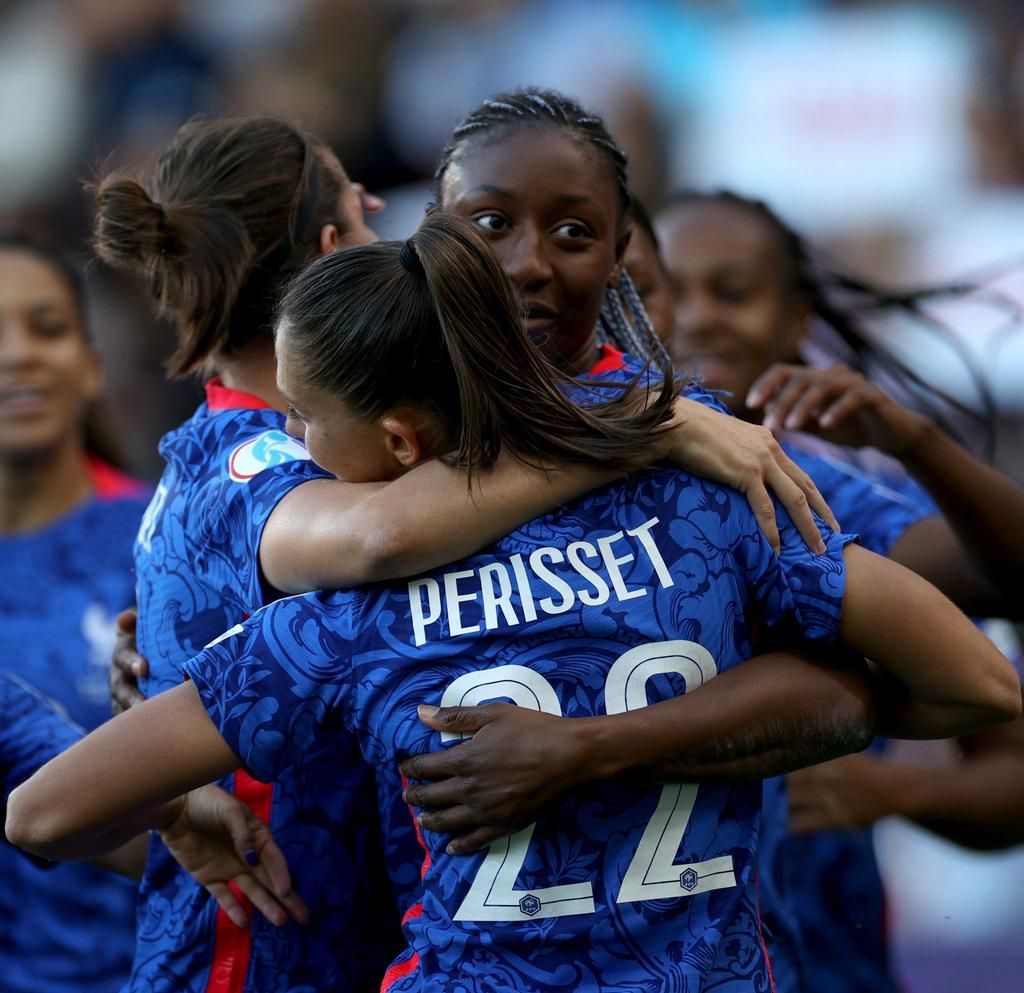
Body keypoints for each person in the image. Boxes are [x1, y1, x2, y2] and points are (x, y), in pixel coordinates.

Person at [7, 210, 1019, 993]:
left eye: (307, 422)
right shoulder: (702, 510)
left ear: (401, 440)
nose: (301, 452)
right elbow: (980, 683)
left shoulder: (343, 618)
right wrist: (811, 708)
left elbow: (42, 816)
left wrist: (181, 809)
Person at [94, 113, 837, 993]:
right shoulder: (259, 461)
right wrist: (645, 424)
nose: (394, 235)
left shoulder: (255, 448)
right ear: (332, 257)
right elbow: (383, 537)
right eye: (366, 218)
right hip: (264, 960)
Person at [653, 188, 1024, 991]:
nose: (697, 317)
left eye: (735, 291)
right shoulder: (555, 501)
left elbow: (1012, 772)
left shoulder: (831, 502)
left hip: (826, 966)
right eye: (666, 291)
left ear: (794, 326)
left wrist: (888, 787)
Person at [0, 230, 153, 993]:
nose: (19, 354)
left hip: (137, 970)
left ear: (91, 366)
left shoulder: (167, 541)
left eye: (48, 328)